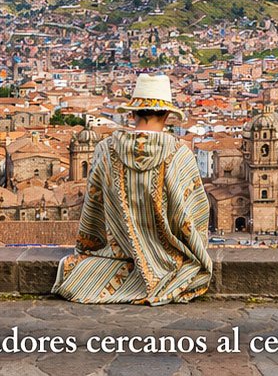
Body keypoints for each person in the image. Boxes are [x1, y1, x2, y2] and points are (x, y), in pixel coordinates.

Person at [53, 74, 212, 306]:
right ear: (167, 115)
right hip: (169, 259)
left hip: (118, 255)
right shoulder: (180, 155)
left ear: (132, 113)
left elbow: (93, 211)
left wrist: (90, 247)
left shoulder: (105, 151)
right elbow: (194, 215)